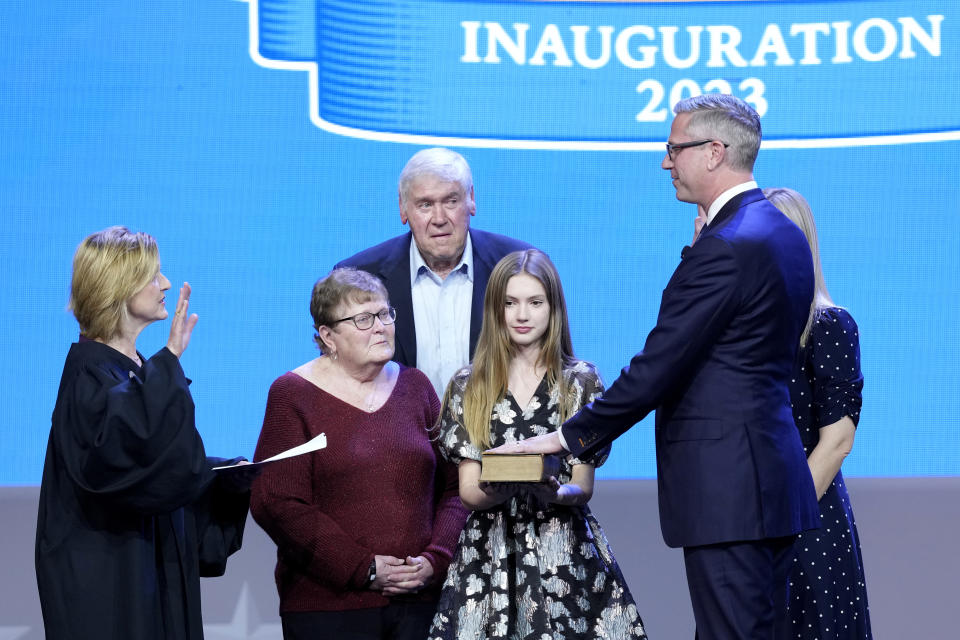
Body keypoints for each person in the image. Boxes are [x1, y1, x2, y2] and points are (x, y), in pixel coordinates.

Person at [494, 95, 820, 640]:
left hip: (730, 493)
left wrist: (564, 439)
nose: (665, 162)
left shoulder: (728, 246)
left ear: (714, 152)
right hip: (770, 483)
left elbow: (659, 364)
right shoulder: (780, 230)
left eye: (674, 149)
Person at [35, 226, 252, 640]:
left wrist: (221, 477)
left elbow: (155, 463)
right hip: (109, 582)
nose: (166, 283)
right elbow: (114, 462)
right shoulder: (88, 372)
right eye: (154, 275)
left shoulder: (131, 368)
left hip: (148, 568)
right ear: (118, 286)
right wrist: (168, 361)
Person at [428, 249, 648, 640]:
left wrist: (554, 492)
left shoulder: (579, 381)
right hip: (489, 554)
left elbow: (582, 487)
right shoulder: (469, 384)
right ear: (495, 310)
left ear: (554, 307)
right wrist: (501, 489)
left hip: (562, 550)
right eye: (510, 303)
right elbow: (468, 492)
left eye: (534, 302)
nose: (522, 315)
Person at [250, 267, 469, 640]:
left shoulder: (416, 387)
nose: (381, 326)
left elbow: (456, 485)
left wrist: (436, 559)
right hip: (329, 609)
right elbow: (277, 502)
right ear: (327, 336)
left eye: (385, 314)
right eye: (363, 319)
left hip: (419, 606)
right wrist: (363, 568)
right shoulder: (292, 394)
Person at [763, 187, 872, 639]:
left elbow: (837, 442)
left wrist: (782, 520)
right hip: (755, 522)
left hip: (809, 524)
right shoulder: (746, 333)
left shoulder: (828, 325)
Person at [336, 147, 532, 396]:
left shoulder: (518, 266)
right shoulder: (359, 276)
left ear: (471, 198)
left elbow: (548, 361)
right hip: (395, 433)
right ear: (403, 208)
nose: (439, 218)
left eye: (451, 201)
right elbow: (337, 380)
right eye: (425, 204)